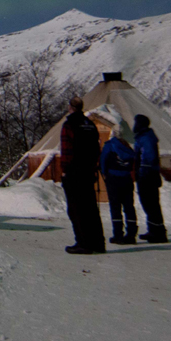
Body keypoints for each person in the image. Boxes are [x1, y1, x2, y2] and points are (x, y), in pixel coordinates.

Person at [59, 96, 106, 254]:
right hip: (88, 171)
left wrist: (64, 170)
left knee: (76, 209)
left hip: (74, 172)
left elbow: (67, 150)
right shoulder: (91, 125)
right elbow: (96, 148)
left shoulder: (69, 125)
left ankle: (83, 243)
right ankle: (98, 243)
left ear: (70, 107)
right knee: (91, 208)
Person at [132, 114, 168, 243]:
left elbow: (149, 157)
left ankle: (158, 233)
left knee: (150, 203)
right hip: (148, 174)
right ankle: (154, 230)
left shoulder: (146, 138)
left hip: (148, 175)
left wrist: (142, 172)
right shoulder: (144, 136)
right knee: (149, 203)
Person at [100, 123, 137, 244]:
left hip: (113, 178)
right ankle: (131, 234)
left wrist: (105, 174)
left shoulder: (109, 146)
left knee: (115, 207)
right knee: (129, 207)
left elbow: (103, 161)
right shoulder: (128, 147)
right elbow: (133, 162)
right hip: (126, 178)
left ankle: (118, 235)